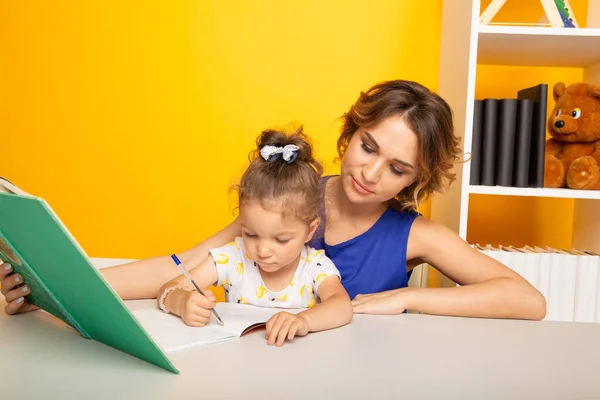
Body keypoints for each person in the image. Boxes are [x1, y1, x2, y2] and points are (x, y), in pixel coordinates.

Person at [1, 79, 546, 321]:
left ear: (416, 179)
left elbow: (526, 300)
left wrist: (406, 300)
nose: (370, 172)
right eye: (368, 146)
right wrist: (53, 291)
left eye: (397, 168)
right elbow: (185, 265)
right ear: (351, 133)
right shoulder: (295, 196)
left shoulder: (415, 234)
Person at [157, 128, 353, 346]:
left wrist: (303, 321)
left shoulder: (314, 266)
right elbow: (168, 288)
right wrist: (182, 301)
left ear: (310, 229)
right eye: (251, 234)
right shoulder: (232, 258)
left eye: (281, 240)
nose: (262, 251)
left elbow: (342, 306)